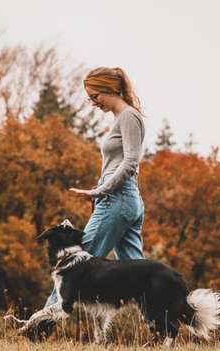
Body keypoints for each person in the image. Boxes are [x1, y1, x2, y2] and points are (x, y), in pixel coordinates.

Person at [44, 66, 146, 308]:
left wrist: (101, 190)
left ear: (108, 88)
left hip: (117, 200)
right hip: (125, 200)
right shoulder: (124, 118)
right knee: (139, 274)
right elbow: (122, 163)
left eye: (94, 96)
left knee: (72, 264)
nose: (93, 102)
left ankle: (38, 328)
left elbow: (131, 162)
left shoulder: (128, 117)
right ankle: (162, 328)